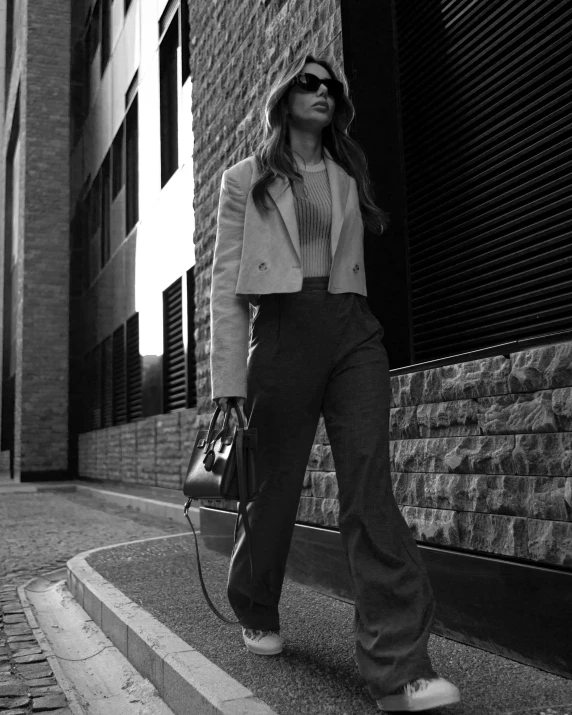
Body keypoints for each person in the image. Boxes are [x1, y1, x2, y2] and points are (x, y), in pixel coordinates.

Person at [209, 50, 461, 712]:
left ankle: (399, 667)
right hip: (282, 333)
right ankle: (257, 603)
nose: (323, 92)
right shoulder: (246, 180)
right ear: (286, 96)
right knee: (272, 490)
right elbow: (225, 291)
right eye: (309, 83)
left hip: (352, 331)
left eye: (331, 86)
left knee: (369, 489)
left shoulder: (347, 172)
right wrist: (227, 378)